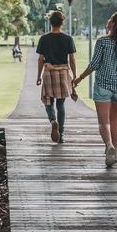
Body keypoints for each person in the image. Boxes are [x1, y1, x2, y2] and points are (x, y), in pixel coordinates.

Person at [73, 12, 117, 168]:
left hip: (103, 87)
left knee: (103, 122)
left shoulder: (102, 42)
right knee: (114, 120)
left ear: (113, 24)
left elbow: (94, 65)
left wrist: (79, 78)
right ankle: (116, 150)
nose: (108, 22)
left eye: (110, 20)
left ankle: (109, 146)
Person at [36, 11, 77, 144]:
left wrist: (38, 76)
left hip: (49, 73)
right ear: (62, 22)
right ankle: (61, 133)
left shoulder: (44, 39)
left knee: (48, 101)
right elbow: (72, 60)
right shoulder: (68, 39)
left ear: (50, 22)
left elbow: (40, 59)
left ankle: (53, 121)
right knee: (61, 104)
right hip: (63, 73)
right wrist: (74, 76)